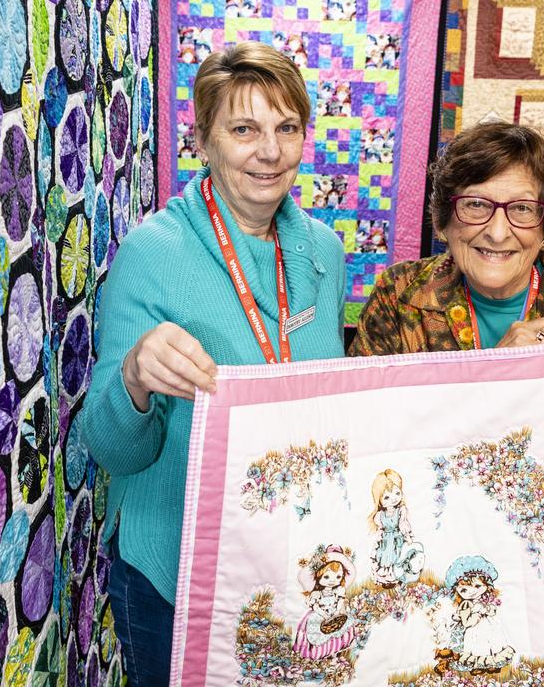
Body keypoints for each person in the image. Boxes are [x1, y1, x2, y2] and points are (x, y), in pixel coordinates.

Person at [82, 42, 346, 684]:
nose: (270, 151)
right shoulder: (152, 254)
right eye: (244, 129)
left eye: (287, 128)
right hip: (177, 579)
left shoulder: (324, 252)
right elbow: (111, 449)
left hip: (290, 571)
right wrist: (135, 379)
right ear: (203, 139)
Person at [350, 121, 544, 575]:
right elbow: (365, 443)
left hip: (539, 569)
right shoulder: (398, 299)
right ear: (443, 221)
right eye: (477, 206)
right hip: (418, 552)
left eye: (522, 209)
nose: (499, 232)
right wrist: (495, 373)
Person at [438, 555, 515, 674]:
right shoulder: (466, 605)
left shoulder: (485, 599)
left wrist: (489, 610)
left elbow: (492, 610)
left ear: (487, 585)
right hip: (474, 630)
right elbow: (466, 622)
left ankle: (492, 664)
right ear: (457, 592)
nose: (472, 592)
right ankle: (478, 665)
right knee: (477, 647)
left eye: (478, 586)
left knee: (493, 644)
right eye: (464, 590)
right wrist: (475, 617)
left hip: (489, 627)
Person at [293, 544, 358, 659]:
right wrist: (323, 614)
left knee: (342, 623)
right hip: (320, 614)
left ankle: (336, 648)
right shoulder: (316, 593)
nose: (333, 581)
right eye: (326, 577)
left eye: (338, 577)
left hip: (335, 612)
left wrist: (337, 610)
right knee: (316, 627)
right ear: (318, 576)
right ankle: (318, 652)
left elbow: (340, 601)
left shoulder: (338, 590)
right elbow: (315, 606)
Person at [367, 468, 425, 586]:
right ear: (379, 500)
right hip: (386, 541)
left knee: (399, 557)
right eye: (386, 497)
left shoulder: (401, 511)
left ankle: (399, 578)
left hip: (398, 539)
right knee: (385, 558)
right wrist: (378, 539)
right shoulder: (379, 516)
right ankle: (387, 580)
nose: (393, 498)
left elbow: (403, 525)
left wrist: (408, 537)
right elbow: (381, 529)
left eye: (397, 493)